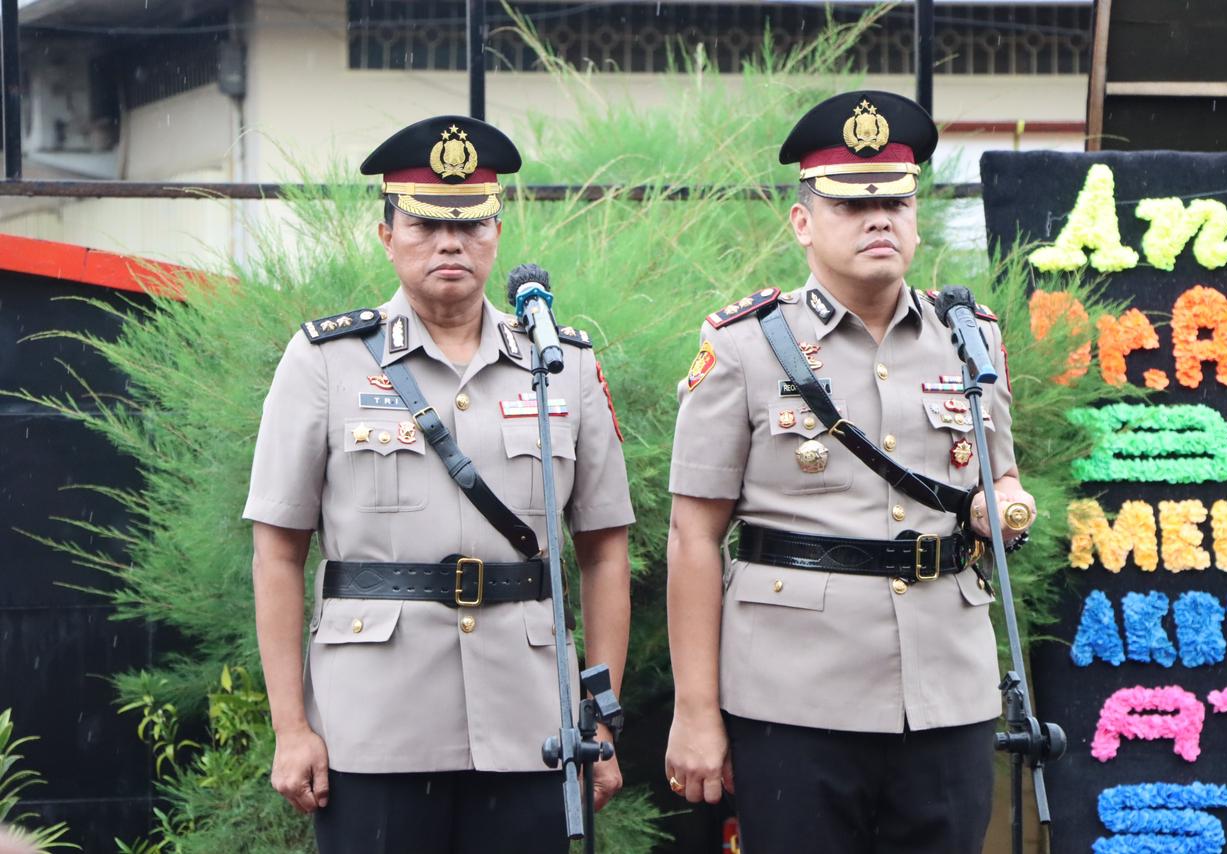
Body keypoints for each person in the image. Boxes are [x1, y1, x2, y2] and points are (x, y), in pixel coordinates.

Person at [244, 115, 634, 853]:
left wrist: (600, 715)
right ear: (386, 233)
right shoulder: (324, 362)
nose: (449, 243)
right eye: (424, 224)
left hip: (533, 723)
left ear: (496, 231)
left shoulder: (563, 363)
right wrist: (291, 727)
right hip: (374, 724)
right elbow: (277, 552)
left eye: (470, 224)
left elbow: (606, 551)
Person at [663, 91, 1037, 853]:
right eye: (851, 205)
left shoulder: (971, 339)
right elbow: (692, 537)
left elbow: (1001, 478)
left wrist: (1006, 500)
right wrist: (696, 710)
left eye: (896, 202)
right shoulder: (744, 346)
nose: (880, 220)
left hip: (946, 688)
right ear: (803, 222)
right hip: (796, 695)